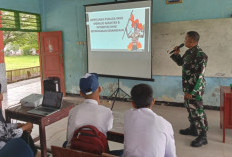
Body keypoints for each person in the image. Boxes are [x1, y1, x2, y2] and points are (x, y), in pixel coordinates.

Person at [170, 31, 208, 147]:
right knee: (189, 108)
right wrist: (176, 54)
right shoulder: (188, 52)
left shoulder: (201, 55)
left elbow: (199, 77)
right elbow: (181, 63)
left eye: (186, 39)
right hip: (187, 87)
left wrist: (192, 92)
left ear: (193, 42)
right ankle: (193, 129)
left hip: (194, 89)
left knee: (197, 110)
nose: (184, 40)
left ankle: (203, 136)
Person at [123, 84, 176, 157]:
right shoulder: (165, 124)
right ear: (153, 101)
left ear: (132, 104)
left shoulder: (127, 115)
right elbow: (171, 155)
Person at [66, 73, 113, 147]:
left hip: (74, 152)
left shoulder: (73, 111)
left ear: (81, 93)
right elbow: (107, 129)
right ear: (100, 89)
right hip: (97, 152)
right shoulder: (107, 112)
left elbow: (69, 138)